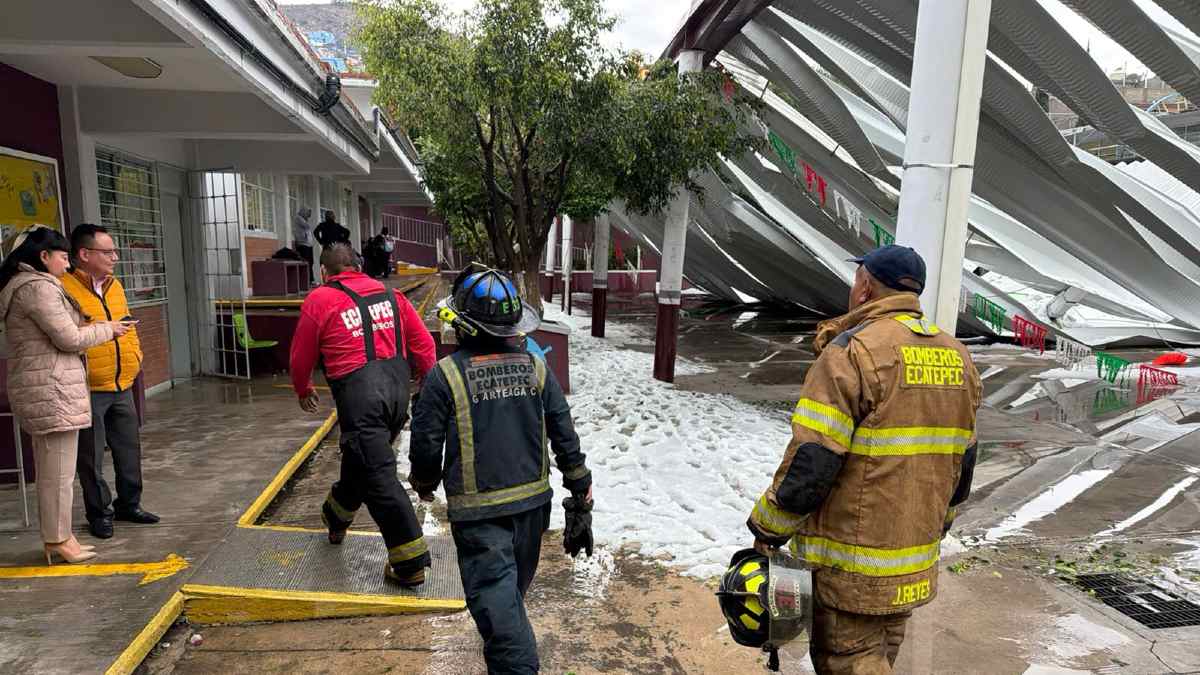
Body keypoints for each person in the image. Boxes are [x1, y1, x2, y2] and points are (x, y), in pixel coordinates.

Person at [746, 245, 981, 674]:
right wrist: (937, 526)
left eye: (857, 279)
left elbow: (814, 459)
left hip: (852, 570)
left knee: (852, 661)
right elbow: (962, 465)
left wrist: (767, 528)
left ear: (866, 287)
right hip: (912, 561)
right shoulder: (958, 357)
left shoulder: (851, 353)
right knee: (881, 658)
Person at [410, 266, 593, 674]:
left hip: (480, 519)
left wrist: (423, 482)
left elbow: (425, 444)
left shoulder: (446, 376)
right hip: (532, 510)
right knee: (508, 599)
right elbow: (565, 434)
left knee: (503, 614)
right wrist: (581, 489)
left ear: (464, 326)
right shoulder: (537, 368)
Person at [289, 243, 437, 585]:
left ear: (324, 272)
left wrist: (302, 388)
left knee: (379, 479)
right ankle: (335, 518)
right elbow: (424, 346)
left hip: (361, 402)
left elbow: (300, 357)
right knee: (362, 460)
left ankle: (410, 562)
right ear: (358, 267)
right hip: (397, 397)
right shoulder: (391, 296)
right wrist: (425, 383)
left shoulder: (320, 299)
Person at [0, 226, 131, 564]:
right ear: (43, 257)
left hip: (49, 388)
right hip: (51, 390)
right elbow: (68, 340)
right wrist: (109, 329)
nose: (66, 262)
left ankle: (61, 537)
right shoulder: (36, 288)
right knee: (56, 473)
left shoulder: (29, 286)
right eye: (61, 256)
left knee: (56, 471)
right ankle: (58, 539)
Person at [62, 224, 159, 540]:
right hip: (89, 386)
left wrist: (136, 356)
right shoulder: (64, 289)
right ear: (84, 254)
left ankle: (129, 504)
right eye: (108, 252)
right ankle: (99, 513)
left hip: (123, 383)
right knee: (90, 456)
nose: (115, 257)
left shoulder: (115, 286)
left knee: (128, 449)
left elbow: (126, 325)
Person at [292, 206, 315, 281]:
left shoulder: (304, 219)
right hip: (303, 244)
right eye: (308, 213)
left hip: (308, 244)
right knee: (306, 262)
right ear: (304, 212)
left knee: (311, 262)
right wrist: (307, 220)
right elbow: (307, 226)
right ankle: (306, 280)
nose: (309, 215)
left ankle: (310, 279)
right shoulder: (298, 218)